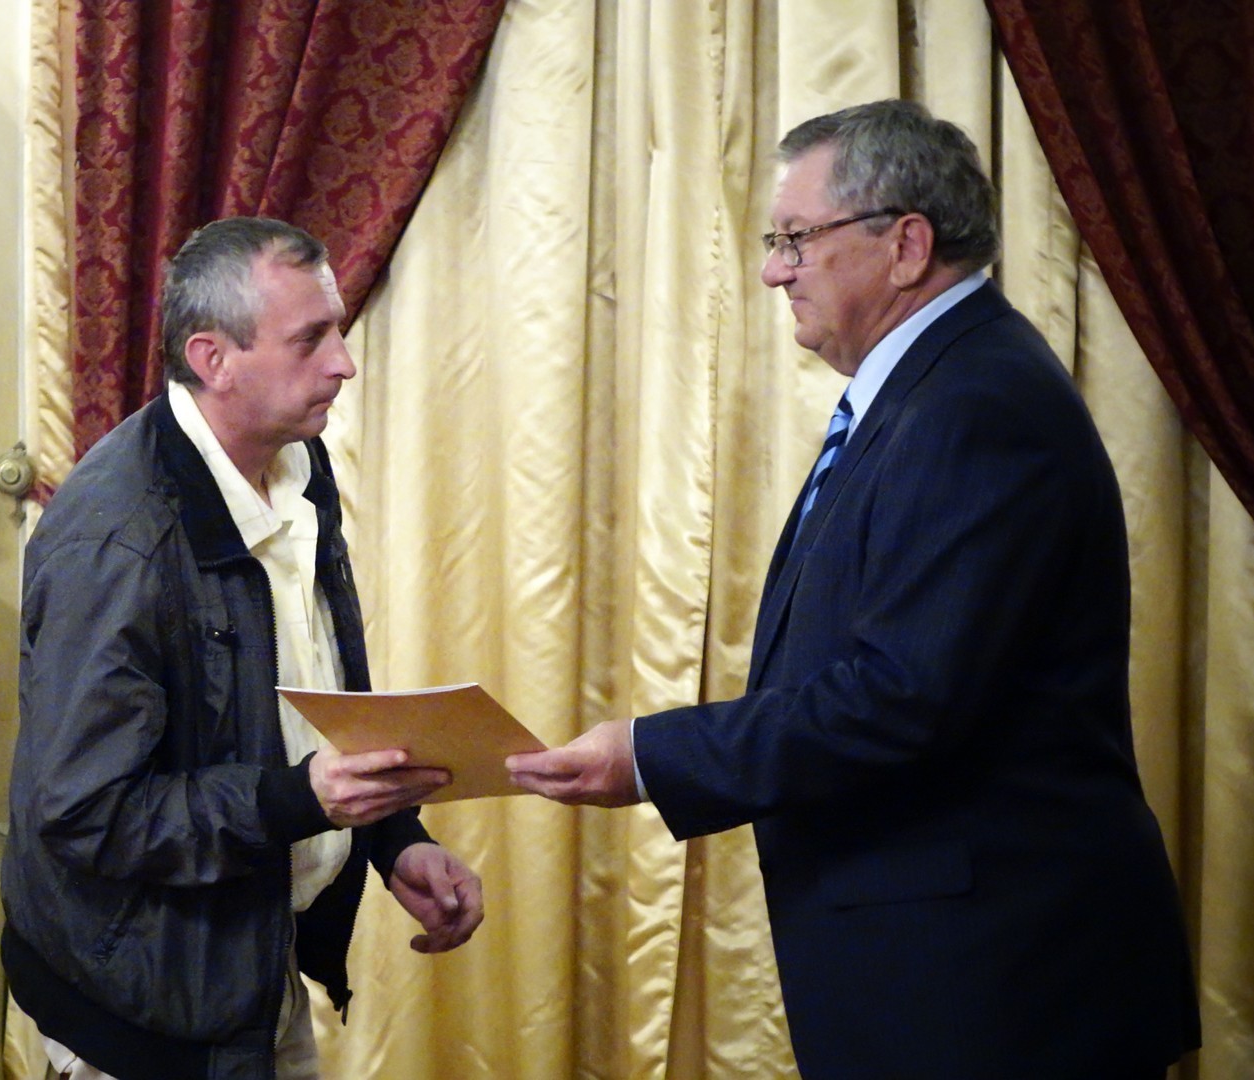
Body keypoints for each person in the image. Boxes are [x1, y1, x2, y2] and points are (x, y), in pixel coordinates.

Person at [508, 100, 1200, 1079]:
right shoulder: (941, 386)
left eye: (796, 239)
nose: (773, 271)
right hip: (950, 973)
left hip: (993, 990)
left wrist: (652, 756)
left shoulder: (975, 405)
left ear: (906, 245)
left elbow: (902, 697)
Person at [1, 216, 483, 1080]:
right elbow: (86, 812)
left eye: (338, 332)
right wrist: (300, 800)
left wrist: (393, 837)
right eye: (311, 339)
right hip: (140, 1010)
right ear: (213, 359)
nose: (344, 363)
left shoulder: (298, 461)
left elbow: (307, 685)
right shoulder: (116, 543)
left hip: (250, 965)